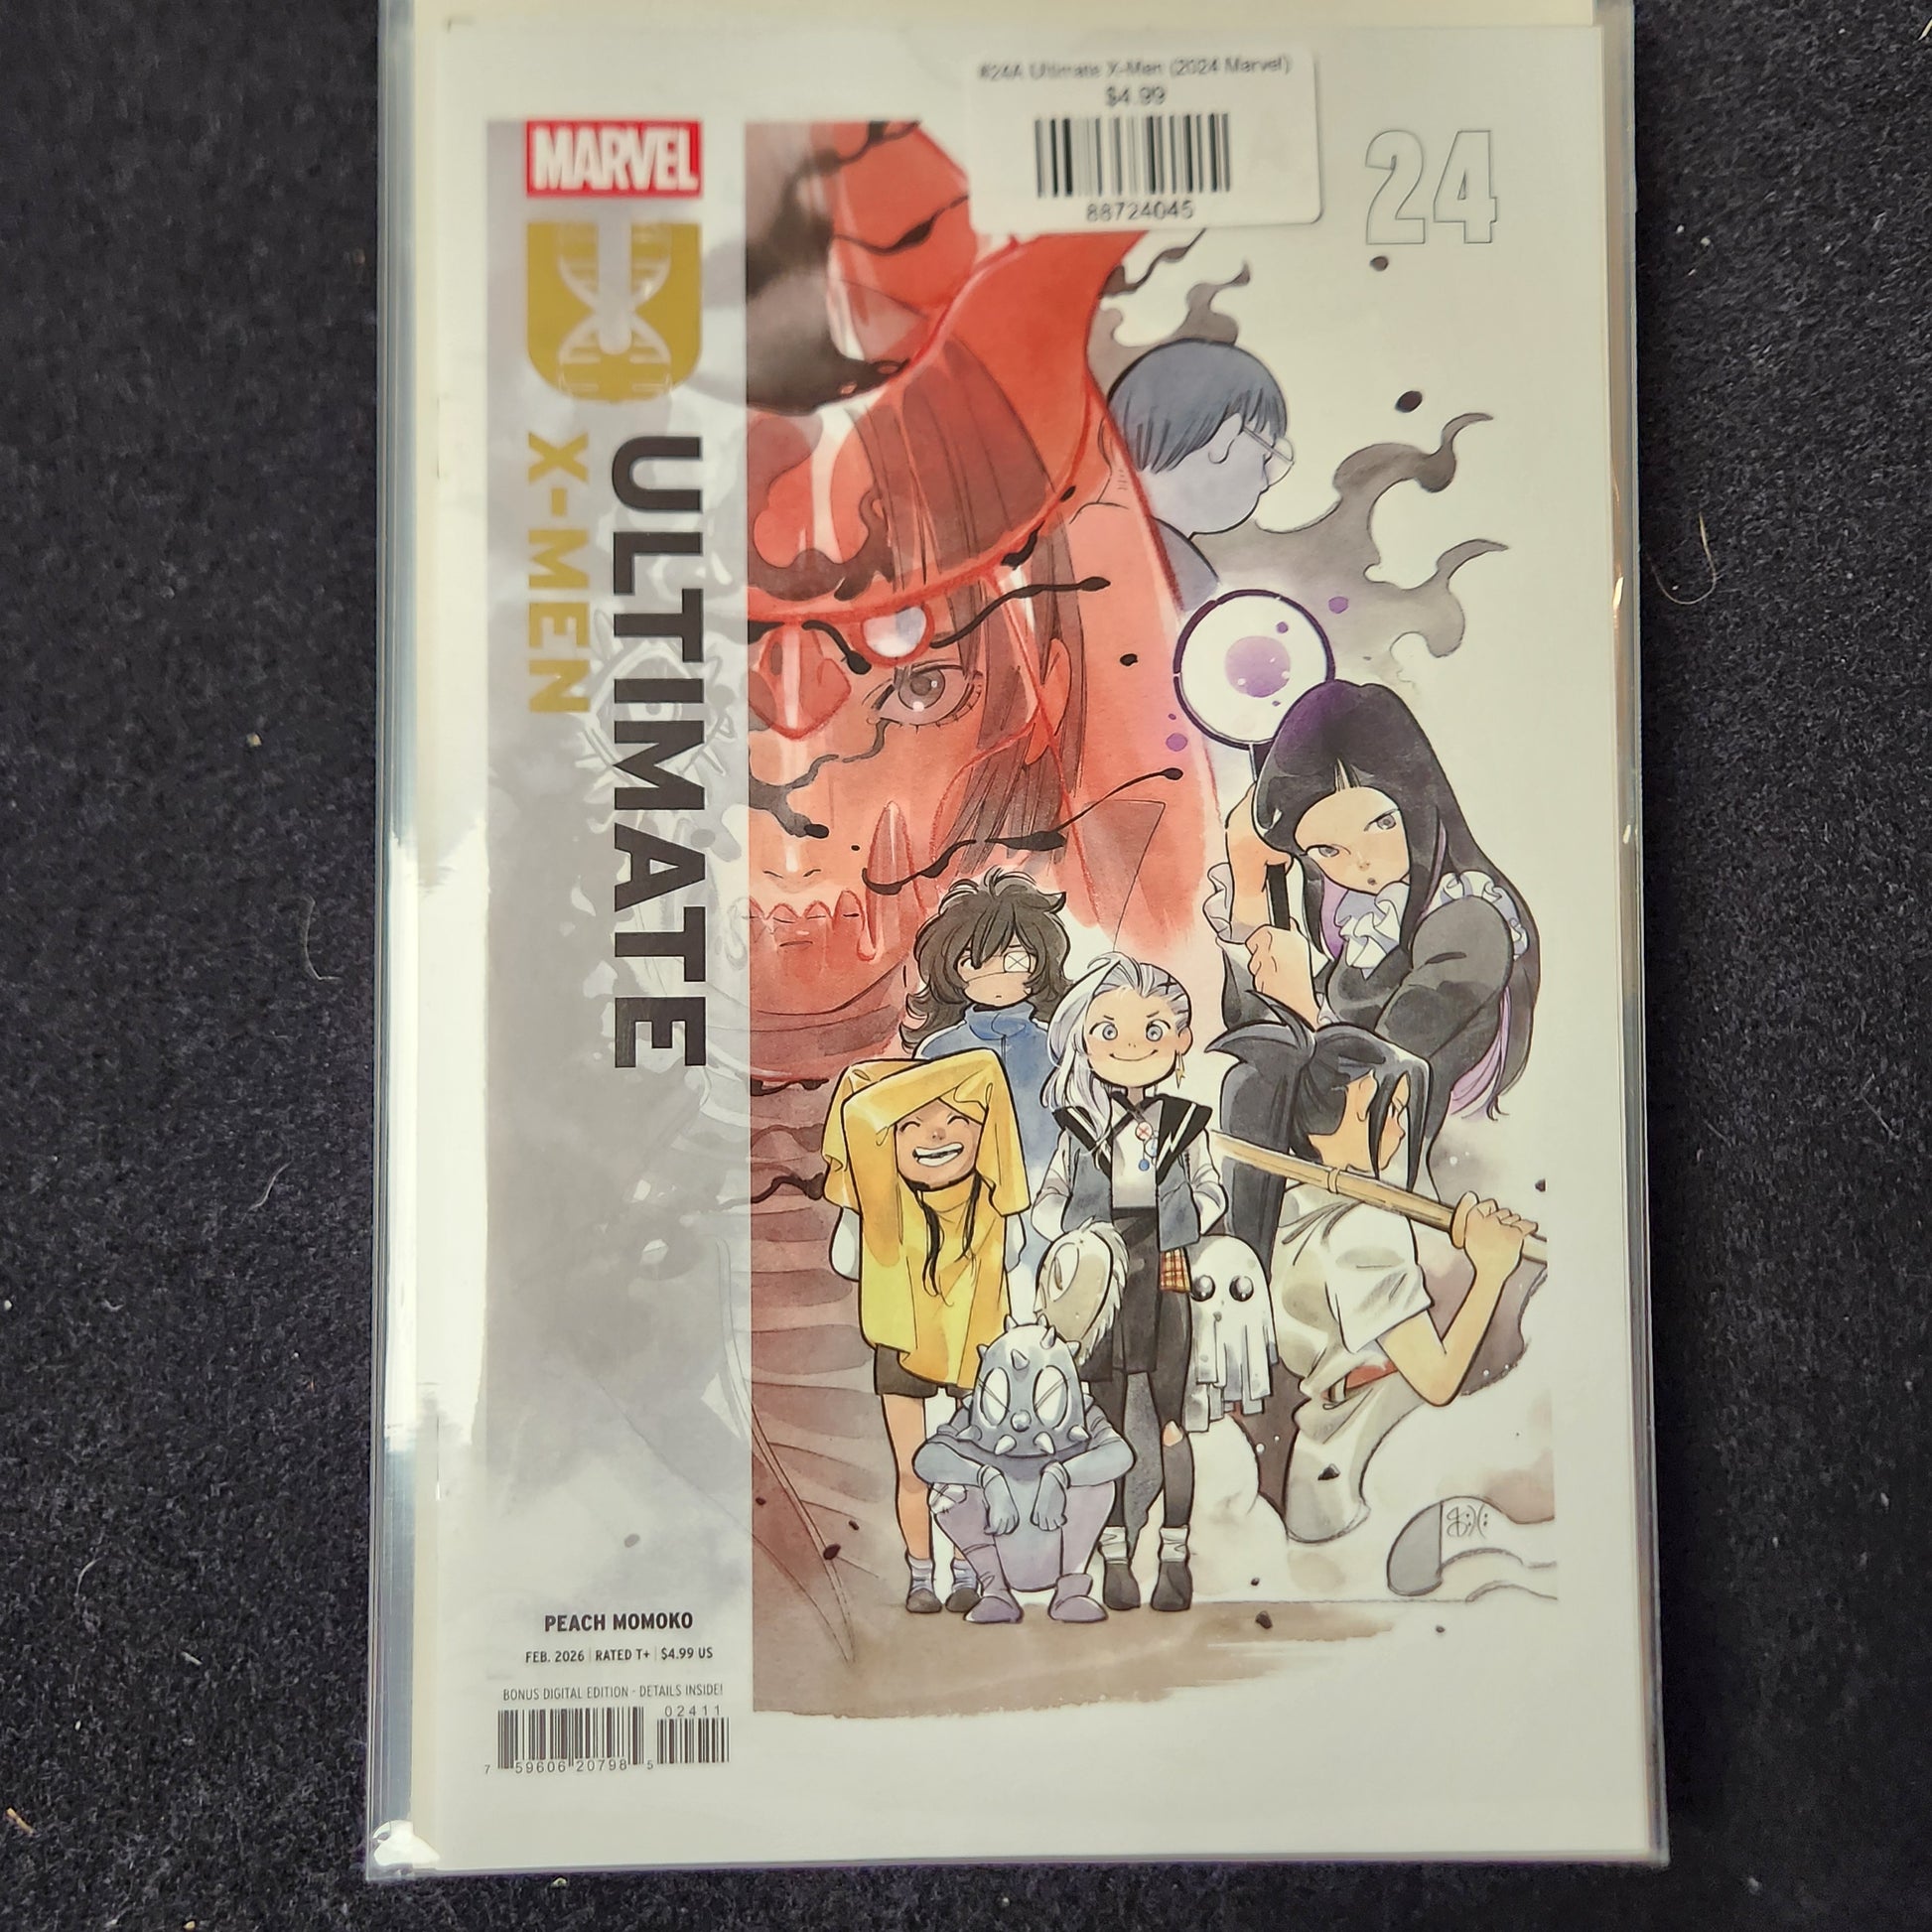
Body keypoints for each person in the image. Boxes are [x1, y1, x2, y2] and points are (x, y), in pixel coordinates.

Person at [1214, 1019, 1538, 1539]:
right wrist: (1492, 1271)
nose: (1400, 1129)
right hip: (1370, 1458)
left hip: (1327, 1455)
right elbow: (1437, 1380)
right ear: (1326, 1125)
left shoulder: (1290, 1210)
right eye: (1385, 1111)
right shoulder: (1361, 1225)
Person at [1215, 679, 1540, 1139]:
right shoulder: (1368, 925)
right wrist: (1248, 890)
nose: (1362, 862)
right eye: (1329, 851)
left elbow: (1378, 1078)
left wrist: (1307, 1007)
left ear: (1419, 804)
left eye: (1382, 824)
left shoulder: (1471, 923)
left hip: (1432, 1149)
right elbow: (1258, 1040)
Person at [1034, 954, 1225, 1611]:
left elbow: (1211, 1193)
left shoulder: (1185, 1124)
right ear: (1085, 1042)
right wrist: (1079, 1238)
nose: (1131, 1046)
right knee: (1106, 1426)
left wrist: (1178, 1217)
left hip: (1166, 1276)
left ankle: (1174, 1555)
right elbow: (1049, 1201)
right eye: (1108, 1030)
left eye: (1153, 1029)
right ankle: (1114, 1557)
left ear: (1180, 1039)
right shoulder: (1079, 1126)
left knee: (1171, 1422)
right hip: (1100, 1287)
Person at [820, 1050, 1030, 1614]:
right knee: (919, 1467)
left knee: (966, 1465)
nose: (936, 1134)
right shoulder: (879, 1203)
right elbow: (846, 1259)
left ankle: (962, 1571)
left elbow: (847, 1262)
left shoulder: (989, 1200)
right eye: (911, 1123)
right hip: (907, 1338)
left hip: (971, 1339)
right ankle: (927, 1574)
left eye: (957, 1119)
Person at [905, 871, 1072, 1301]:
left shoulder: (1058, 1047)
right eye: (975, 961)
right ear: (952, 968)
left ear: (1040, 962)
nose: (995, 974)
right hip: (963, 1216)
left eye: (1015, 959)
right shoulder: (937, 1051)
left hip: (1049, 1213)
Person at [1106, 340, 1293, 613]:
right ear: (1225, 439)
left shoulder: (1084, 535)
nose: (1265, 483)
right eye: (1265, 457)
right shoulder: (1186, 584)